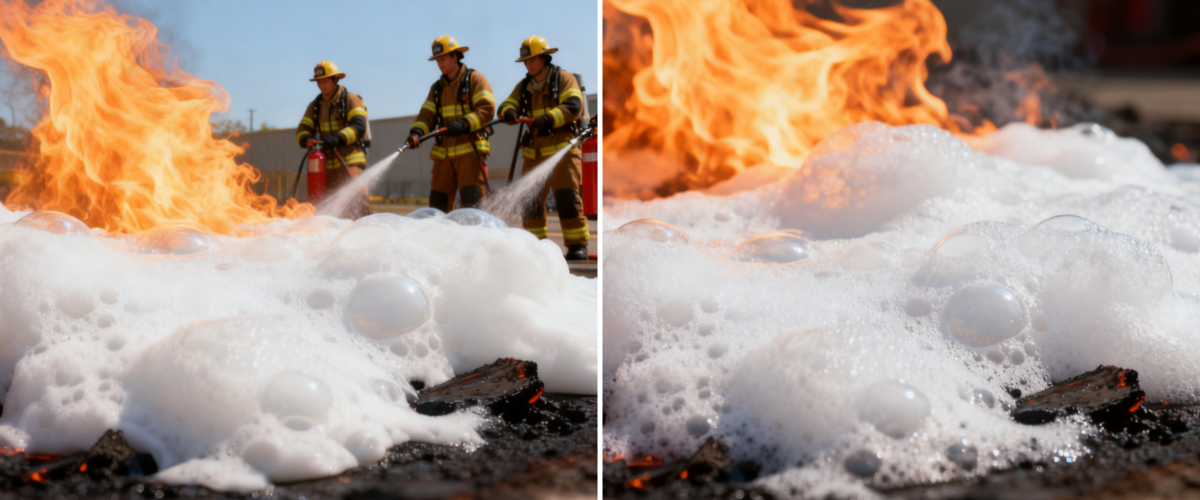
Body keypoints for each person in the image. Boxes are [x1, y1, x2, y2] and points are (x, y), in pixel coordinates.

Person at [498, 36, 589, 261]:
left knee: (567, 199)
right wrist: (508, 112)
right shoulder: (524, 86)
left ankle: (577, 246)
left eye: (532, 60)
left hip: (563, 152)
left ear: (544, 57)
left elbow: (573, 106)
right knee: (530, 204)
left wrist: (546, 119)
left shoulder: (563, 79)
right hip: (534, 154)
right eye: (525, 61)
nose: (528, 65)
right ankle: (535, 247)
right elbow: (507, 104)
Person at [406, 36, 495, 212]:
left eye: (443, 58)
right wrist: (417, 132)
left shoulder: (475, 80)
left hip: (470, 151)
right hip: (443, 155)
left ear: (456, 57)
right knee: (437, 205)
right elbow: (427, 114)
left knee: (472, 203)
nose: (440, 63)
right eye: (437, 59)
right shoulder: (437, 88)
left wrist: (465, 123)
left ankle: (475, 239)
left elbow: (486, 109)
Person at [295, 60, 372, 219]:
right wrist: (307, 139)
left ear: (335, 80)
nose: (322, 85)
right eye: (319, 82)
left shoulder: (350, 100)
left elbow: (359, 126)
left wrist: (337, 139)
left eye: (325, 81)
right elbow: (302, 129)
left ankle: (367, 231)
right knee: (328, 206)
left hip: (350, 160)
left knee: (357, 199)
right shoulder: (315, 106)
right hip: (327, 165)